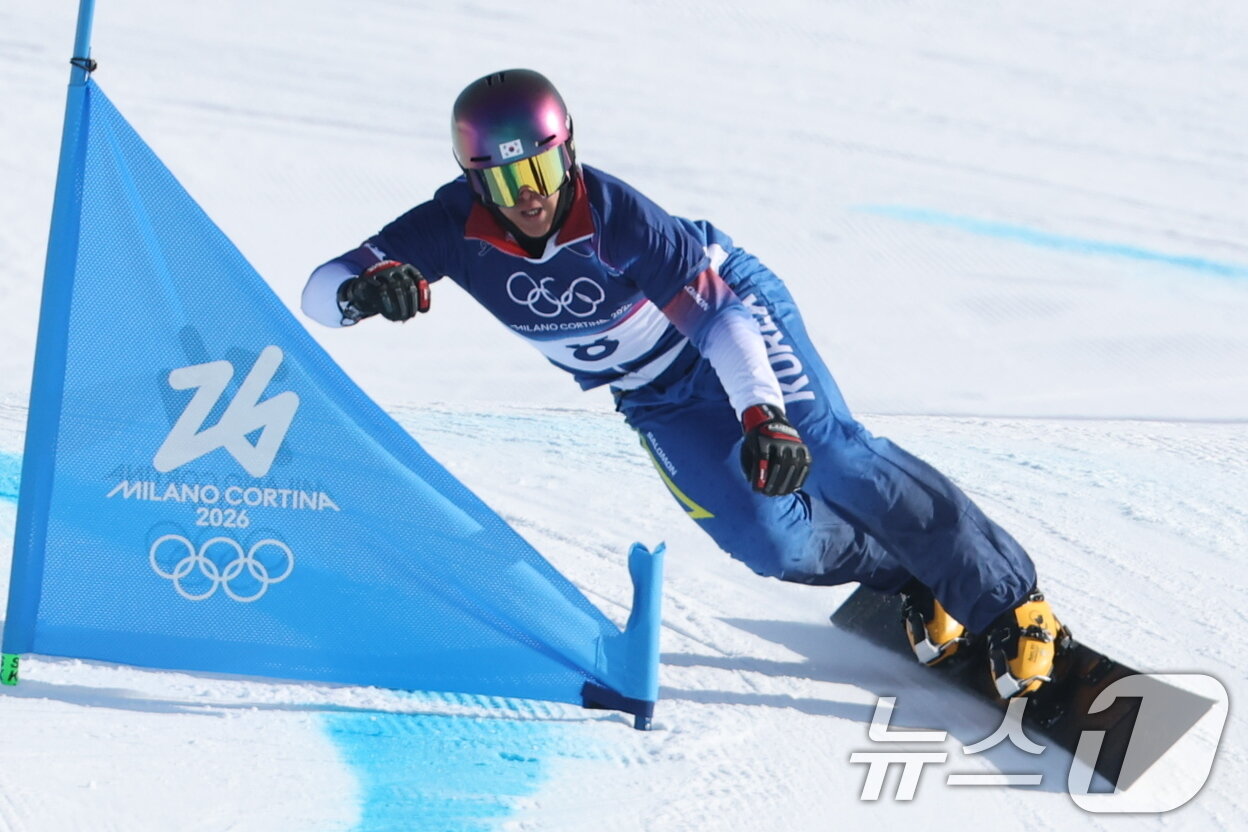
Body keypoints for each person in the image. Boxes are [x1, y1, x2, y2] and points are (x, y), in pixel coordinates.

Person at [302, 68, 1067, 698]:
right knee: (771, 543)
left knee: (832, 454)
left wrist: (764, 415)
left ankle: (1008, 600)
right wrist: (363, 291)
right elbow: (318, 290)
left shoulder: (616, 215)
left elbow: (721, 321)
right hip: (654, 395)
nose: (529, 195)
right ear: (474, 180)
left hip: (724, 331)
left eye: (540, 168)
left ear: (568, 152)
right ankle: (914, 575)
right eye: (505, 180)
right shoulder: (449, 227)